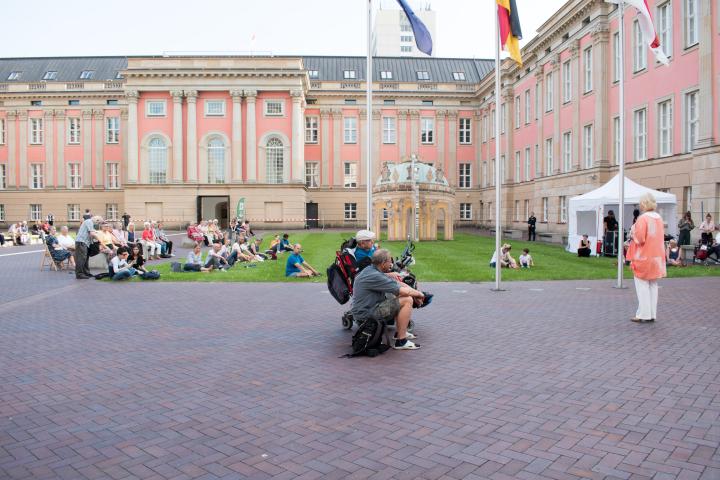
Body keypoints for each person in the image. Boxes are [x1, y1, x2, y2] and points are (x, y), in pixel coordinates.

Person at [352, 249, 425, 350]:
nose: (391, 263)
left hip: (366, 310)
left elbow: (398, 284)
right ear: (383, 263)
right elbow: (403, 292)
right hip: (367, 316)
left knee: (395, 295)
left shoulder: (372, 270)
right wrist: (420, 294)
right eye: (390, 261)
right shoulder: (376, 275)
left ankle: (400, 332)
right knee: (407, 300)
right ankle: (401, 341)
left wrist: (415, 292)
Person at [627, 193, 666, 323]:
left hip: (644, 256)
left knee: (642, 285)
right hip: (657, 257)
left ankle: (643, 314)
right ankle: (651, 313)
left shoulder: (643, 219)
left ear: (644, 204)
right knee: (653, 285)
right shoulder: (659, 218)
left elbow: (640, 238)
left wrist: (632, 232)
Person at [74, 215, 103, 279]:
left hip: (85, 243)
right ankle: (79, 274)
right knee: (81, 259)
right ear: (97, 220)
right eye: (98, 222)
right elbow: (92, 233)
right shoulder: (89, 221)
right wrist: (100, 238)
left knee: (85, 258)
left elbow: (91, 235)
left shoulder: (90, 222)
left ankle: (86, 273)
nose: (97, 224)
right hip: (81, 242)